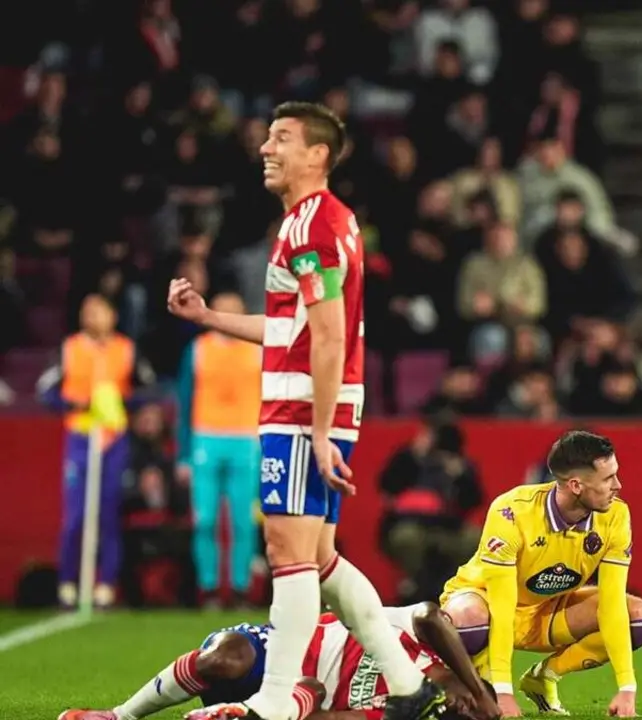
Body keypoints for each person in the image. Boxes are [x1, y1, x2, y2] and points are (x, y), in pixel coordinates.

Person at [167, 101, 446, 720]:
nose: (267, 148)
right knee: (318, 560)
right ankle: (408, 685)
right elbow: (292, 328)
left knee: (286, 553)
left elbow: (329, 335)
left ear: (318, 154)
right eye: (268, 137)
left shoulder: (313, 228)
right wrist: (209, 317)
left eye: (282, 138)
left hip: (302, 411)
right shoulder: (321, 222)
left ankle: (274, 699)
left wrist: (318, 432)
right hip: (316, 405)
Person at [441, 430, 642, 718]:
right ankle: (480, 686)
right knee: (468, 618)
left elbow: (612, 604)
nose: (618, 485)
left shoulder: (615, 516)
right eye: (608, 478)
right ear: (576, 485)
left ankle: (544, 676)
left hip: (546, 610)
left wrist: (627, 687)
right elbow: (502, 607)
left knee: (639, 617)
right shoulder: (511, 512)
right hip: (487, 604)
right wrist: (502, 692)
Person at [57, 601, 500, 720]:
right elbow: (429, 614)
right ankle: (118, 715)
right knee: (226, 658)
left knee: (313, 690)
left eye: (456, 716)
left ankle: (235, 715)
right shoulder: (421, 638)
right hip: (282, 645)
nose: (459, 707)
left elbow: (326, 717)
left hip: (290, 701)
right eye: (467, 704)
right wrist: (485, 695)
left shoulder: (407, 708)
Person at [36, 294, 156, 609]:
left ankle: (105, 586)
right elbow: (45, 391)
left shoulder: (126, 350)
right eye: (87, 311)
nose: (92, 317)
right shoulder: (70, 348)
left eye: (98, 311)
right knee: (75, 517)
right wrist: (74, 404)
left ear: (112, 316)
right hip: (81, 437)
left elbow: (149, 388)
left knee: (109, 514)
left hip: (114, 439)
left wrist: (121, 401)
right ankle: (67, 585)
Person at [176, 291, 263, 608]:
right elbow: (184, 402)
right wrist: (183, 455)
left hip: (246, 440)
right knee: (205, 520)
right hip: (206, 439)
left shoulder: (259, 350)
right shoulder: (197, 350)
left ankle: (240, 587)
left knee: (243, 521)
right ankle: (209, 587)